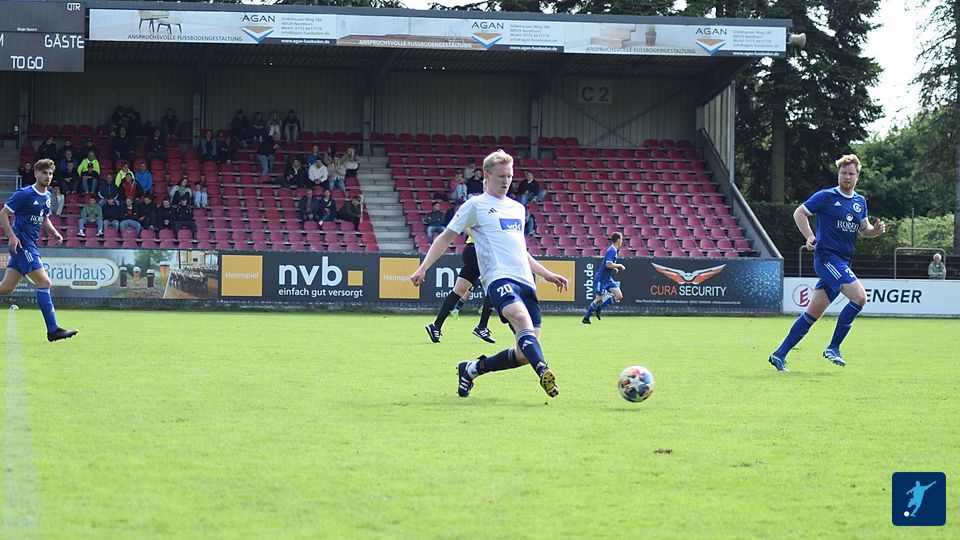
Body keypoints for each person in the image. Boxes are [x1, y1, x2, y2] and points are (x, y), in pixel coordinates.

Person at [410, 149, 569, 399]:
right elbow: (445, 237)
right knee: (520, 318)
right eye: (501, 176)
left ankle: (471, 369)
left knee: (523, 353)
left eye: (510, 176)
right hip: (498, 278)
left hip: (526, 281)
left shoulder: (517, 208)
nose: (506, 181)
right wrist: (423, 267)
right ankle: (543, 370)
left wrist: (546, 274)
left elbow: (520, 251)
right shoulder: (475, 205)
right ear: (486, 175)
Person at [768, 154, 886, 372]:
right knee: (860, 297)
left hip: (843, 262)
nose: (847, 177)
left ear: (857, 176)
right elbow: (799, 213)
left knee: (812, 313)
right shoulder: (826, 196)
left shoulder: (860, 202)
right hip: (827, 259)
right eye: (844, 173)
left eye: (851, 173)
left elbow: (864, 229)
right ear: (838, 174)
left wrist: (875, 231)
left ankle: (779, 354)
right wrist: (809, 237)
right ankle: (833, 347)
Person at [0, 159, 77, 342]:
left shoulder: (47, 196)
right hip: (23, 245)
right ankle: (53, 330)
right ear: (36, 174)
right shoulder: (24, 194)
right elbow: (3, 213)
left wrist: (55, 233)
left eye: (50, 173)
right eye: (44, 173)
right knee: (44, 282)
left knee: (6, 288)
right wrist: (12, 236)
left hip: (30, 244)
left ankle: (53, 330)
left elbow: (44, 219)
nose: (47, 176)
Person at [424, 232, 497, 345]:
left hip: (472, 250)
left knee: (458, 291)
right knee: (493, 285)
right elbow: (466, 227)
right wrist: (479, 236)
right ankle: (482, 327)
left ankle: (436, 326)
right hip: (478, 250)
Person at [582, 232, 626, 323]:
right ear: (618, 240)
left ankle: (599, 308)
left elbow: (609, 265)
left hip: (607, 278)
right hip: (601, 278)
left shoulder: (613, 250)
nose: (622, 241)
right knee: (599, 299)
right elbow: (608, 264)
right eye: (621, 239)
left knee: (619, 295)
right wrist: (619, 266)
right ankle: (586, 318)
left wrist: (614, 268)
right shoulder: (611, 250)